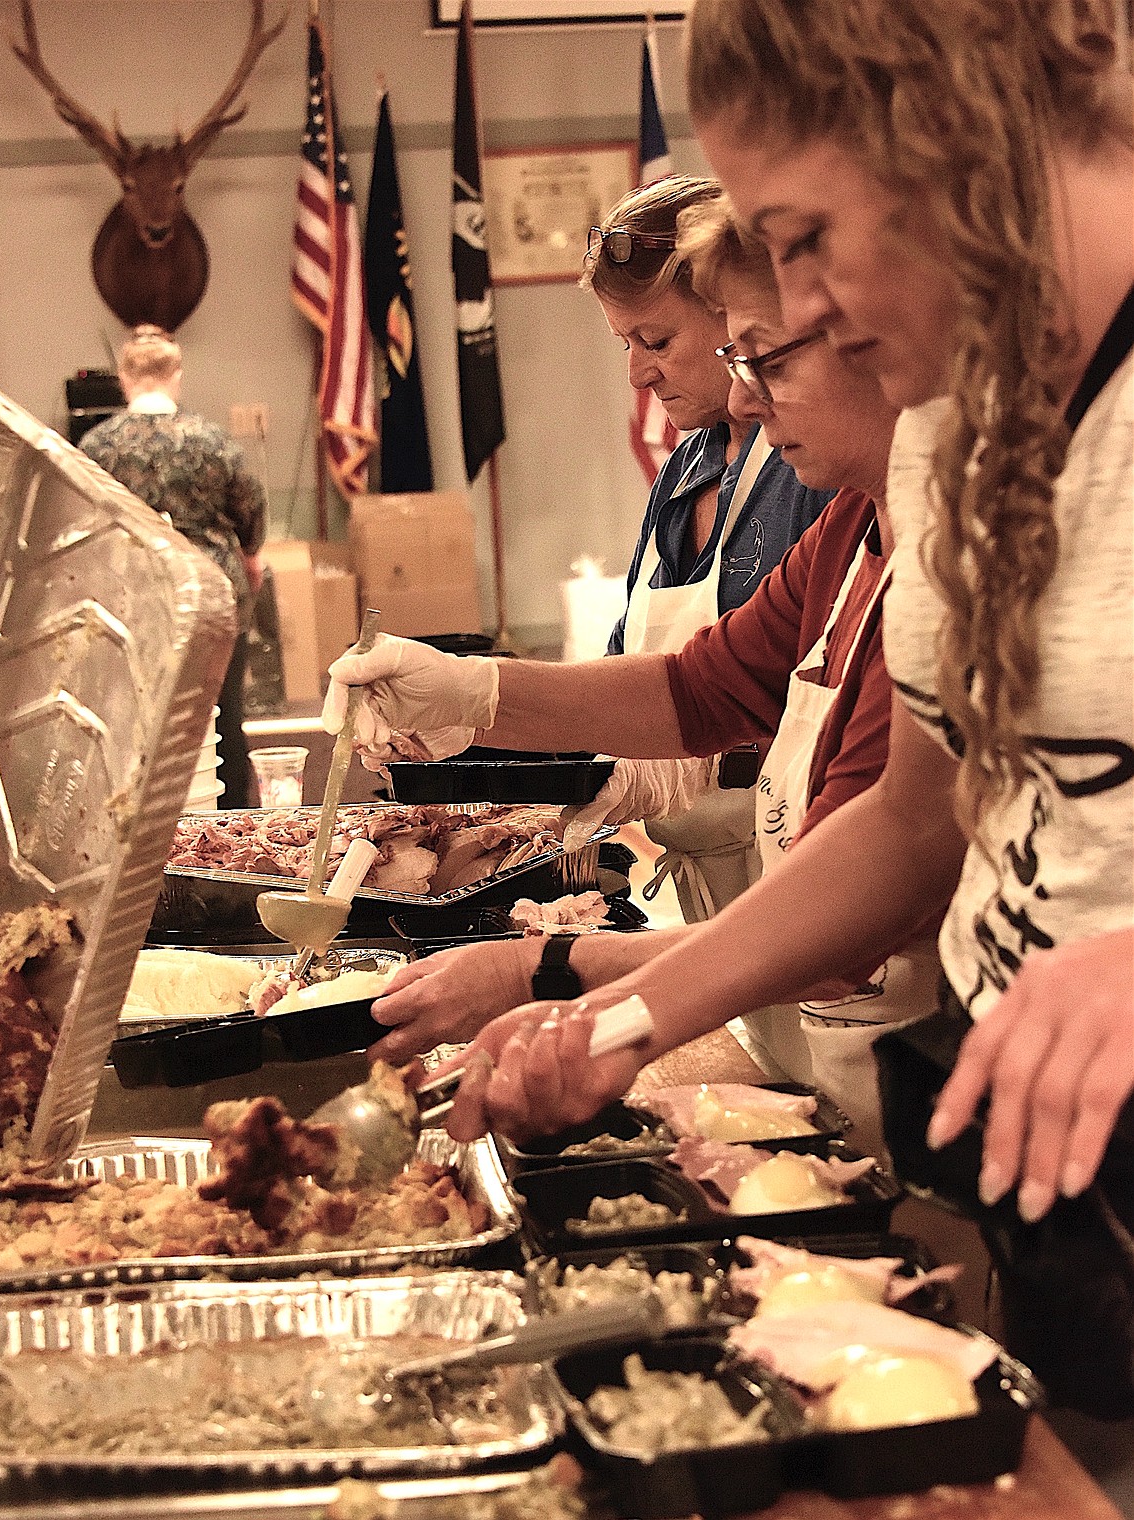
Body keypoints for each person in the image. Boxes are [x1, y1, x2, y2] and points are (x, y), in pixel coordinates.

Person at [326, 0, 1133, 1454]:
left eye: (807, 233)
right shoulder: (951, 427)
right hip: (1058, 1187)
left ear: (946, 135)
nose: (805, 312)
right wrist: (622, 1021)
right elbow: (906, 822)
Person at [344, 196, 925, 1155]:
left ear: (880, 341)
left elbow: (843, 931)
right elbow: (695, 690)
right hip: (845, 1058)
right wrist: (468, 690)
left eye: (763, 357)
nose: (743, 399)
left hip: (932, 1085)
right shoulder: (849, 531)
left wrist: (554, 977)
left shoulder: (942, 580)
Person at [583, 175, 832, 921]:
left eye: (656, 340)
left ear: (735, 313)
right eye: (624, 343)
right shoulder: (684, 473)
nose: (637, 372)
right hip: (704, 884)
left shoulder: (816, 472)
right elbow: (633, 664)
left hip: (808, 874)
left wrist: (704, 763)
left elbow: (819, 708)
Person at [82, 326, 267, 808]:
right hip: (214, 587)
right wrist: (249, 555)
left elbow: (85, 523)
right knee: (224, 712)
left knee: (139, 718)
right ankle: (235, 832)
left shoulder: (98, 447)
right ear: (176, 375)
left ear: (124, 378)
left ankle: (149, 833)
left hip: (137, 593)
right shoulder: (211, 440)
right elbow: (250, 504)